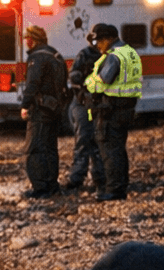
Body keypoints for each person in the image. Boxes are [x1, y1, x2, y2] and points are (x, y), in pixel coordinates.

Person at [81, 23, 141, 201]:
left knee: (110, 152)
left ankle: (114, 190)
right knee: (119, 151)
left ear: (108, 39)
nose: (97, 45)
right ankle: (120, 187)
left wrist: (90, 82)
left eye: (99, 41)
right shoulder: (129, 52)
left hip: (112, 111)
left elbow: (103, 80)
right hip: (126, 109)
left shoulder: (114, 56)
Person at [19, 24, 68, 197]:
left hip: (40, 110)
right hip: (54, 109)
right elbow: (64, 84)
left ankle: (40, 188)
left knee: (34, 149)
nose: (25, 42)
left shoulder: (36, 58)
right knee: (50, 149)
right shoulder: (56, 55)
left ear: (32, 40)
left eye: (26, 39)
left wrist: (25, 105)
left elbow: (33, 84)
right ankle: (52, 186)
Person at [63, 40, 106, 193]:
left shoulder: (109, 56)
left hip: (98, 104)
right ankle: (77, 178)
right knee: (83, 140)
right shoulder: (85, 55)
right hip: (83, 103)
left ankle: (100, 177)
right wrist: (82, 87)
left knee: (97, 142)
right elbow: (74, 75)